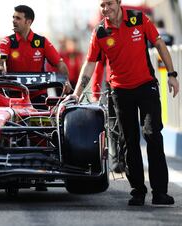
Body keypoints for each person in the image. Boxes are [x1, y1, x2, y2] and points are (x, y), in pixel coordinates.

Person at [68, 0, 179, 206]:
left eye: (109, 3)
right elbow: (90, 63)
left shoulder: (138, 18)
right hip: (120, 92)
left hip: (146, 87)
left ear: (119, 3)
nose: (105, 8)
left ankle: (160, 192)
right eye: (102, 5)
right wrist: (77, 93)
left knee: (153, 134)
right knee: (128, 141)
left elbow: (159, 43)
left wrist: (172, 74)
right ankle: (138, 190)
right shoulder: (100, 32)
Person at [0, 5, 71, 106]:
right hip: (15, 94)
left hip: (38, 93)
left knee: (42, 121)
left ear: (28, 22)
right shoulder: (7, 41)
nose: (14, 21)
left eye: (18, 18)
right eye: (13, 17)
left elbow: (60, 64)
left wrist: (66, 81)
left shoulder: (42, 42)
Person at [91, 55, 126, 174]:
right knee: (112, 122)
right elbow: (99, 65)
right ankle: (116, 159)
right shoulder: (105, 37)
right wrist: (95, 91)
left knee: (126, 121)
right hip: (110, 84)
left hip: (128, 84)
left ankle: (125, 158)